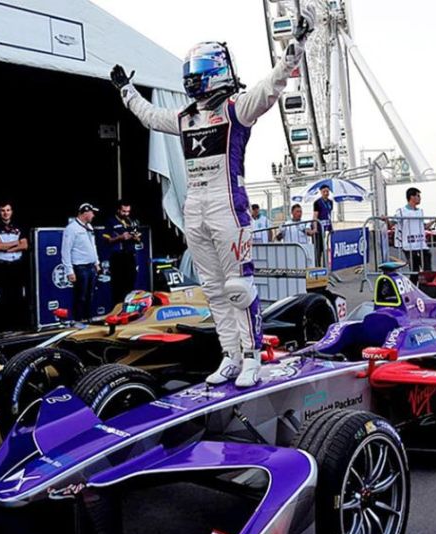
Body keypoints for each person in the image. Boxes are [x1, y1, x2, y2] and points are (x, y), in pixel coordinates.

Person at [110, 4, 316, 387]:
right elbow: (151, 116)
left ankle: (253, 355)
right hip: (196, 209)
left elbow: (270, 87)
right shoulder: (186, 116)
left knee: (240, 287)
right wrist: (126, 91)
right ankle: (230, 356)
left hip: (228, 208)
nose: (192, 82)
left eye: (198, 75)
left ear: (216, 73)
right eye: (191, 76)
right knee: (214, 290)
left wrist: (295, 47)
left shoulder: (238, 109)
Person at [392, 187, 436, 287]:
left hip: (421, 245)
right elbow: (392, 224)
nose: (420, 198)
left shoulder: (420, 211)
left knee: (427, 270)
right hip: (409, 246)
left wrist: (435, 220)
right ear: (412, 197)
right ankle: (412, 291)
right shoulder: (401, 212)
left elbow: (423, 226)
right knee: (414, 271)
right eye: (418, 196)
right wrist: (384, 219)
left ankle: (426, 293)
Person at [0, 201, 29, 329]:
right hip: (0, 266)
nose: (5, 213)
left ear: (11, 211)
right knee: (3, 297)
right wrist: (15, 243)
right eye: (2, 210)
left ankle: (19, 324)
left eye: (7, 210)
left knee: (18, 296)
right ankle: (4, 325)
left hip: (16, 266)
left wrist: (7, 248)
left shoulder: (19, 226)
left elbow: (24, 245)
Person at [61, 203, 101, 322]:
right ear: (85, 212)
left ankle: (88, 319)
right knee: (80, 296)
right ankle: (78, 321)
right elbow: (65, 250)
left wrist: (96, 263)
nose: (93, 215)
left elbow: (93, 246)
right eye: (92, 212)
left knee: (90, 295)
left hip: (90, 266)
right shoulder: (72, 228)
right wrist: (69, 270)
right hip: (79, 267)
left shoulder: (89, 227)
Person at [103, 200, 141, 305]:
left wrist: (136, 238)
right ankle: (118, 310)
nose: (126, 214)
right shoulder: (111, 221)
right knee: (118, 287)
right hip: (117, 258)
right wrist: (120, 237)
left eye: (128, 211)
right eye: (124, 211)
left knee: (130, 285)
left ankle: (129, 309)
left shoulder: (131, 221)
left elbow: (137, 239)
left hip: (130, 256)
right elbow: (107, 240)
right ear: (118, 210)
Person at [312, 184, 333, 265]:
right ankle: (317, 266)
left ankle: (325, 265)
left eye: (327, 191)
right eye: (324, 191)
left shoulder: (330, 202)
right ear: (321, 192)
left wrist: (331, 227)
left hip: (326, 227)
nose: (326, 193)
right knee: (318, 249)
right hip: (319, 228)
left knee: (325, 248)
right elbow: (315, 216)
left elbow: (329, 215)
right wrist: (315, 228)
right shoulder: (317, 203)